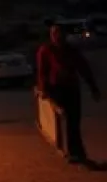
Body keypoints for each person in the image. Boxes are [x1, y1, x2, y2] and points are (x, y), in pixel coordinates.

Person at [36, 25, 102, 168]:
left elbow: (84, 68)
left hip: (71, 88)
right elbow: (42, 71)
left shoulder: (71, 50)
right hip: (56, 88)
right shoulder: (46, 50)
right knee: (59, 119)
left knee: (74, 122)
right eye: (54, 34)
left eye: (60, 34)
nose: (57, 37)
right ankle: (67, 149)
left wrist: (93, 88)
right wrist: (44, 89)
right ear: (51, 36)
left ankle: (76, 152)